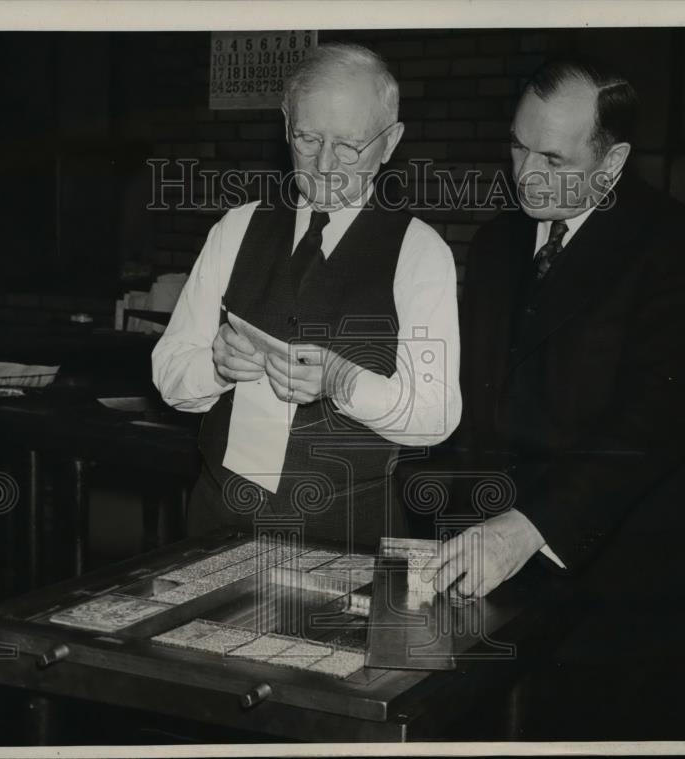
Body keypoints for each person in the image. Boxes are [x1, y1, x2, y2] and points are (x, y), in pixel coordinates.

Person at [420, 56, 685, 738]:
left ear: (612, 159)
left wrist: (526, 526)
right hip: (499, 570)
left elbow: (651, 422)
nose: (526, 175)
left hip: (630, 587)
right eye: (517, 147)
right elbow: (480, 406)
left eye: (554, 159)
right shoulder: (496, 243)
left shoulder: (682, 246)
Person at [152, 43, 461, 549]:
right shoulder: (237, 228)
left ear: (390, 142)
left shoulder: (420, 251)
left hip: (345, 534)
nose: (324, 164)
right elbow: (169, 375)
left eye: (348, 146)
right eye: (308, 138)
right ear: (285, 125)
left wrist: (341, 379)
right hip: (218, 522)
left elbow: (435, 416)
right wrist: (217, 366)